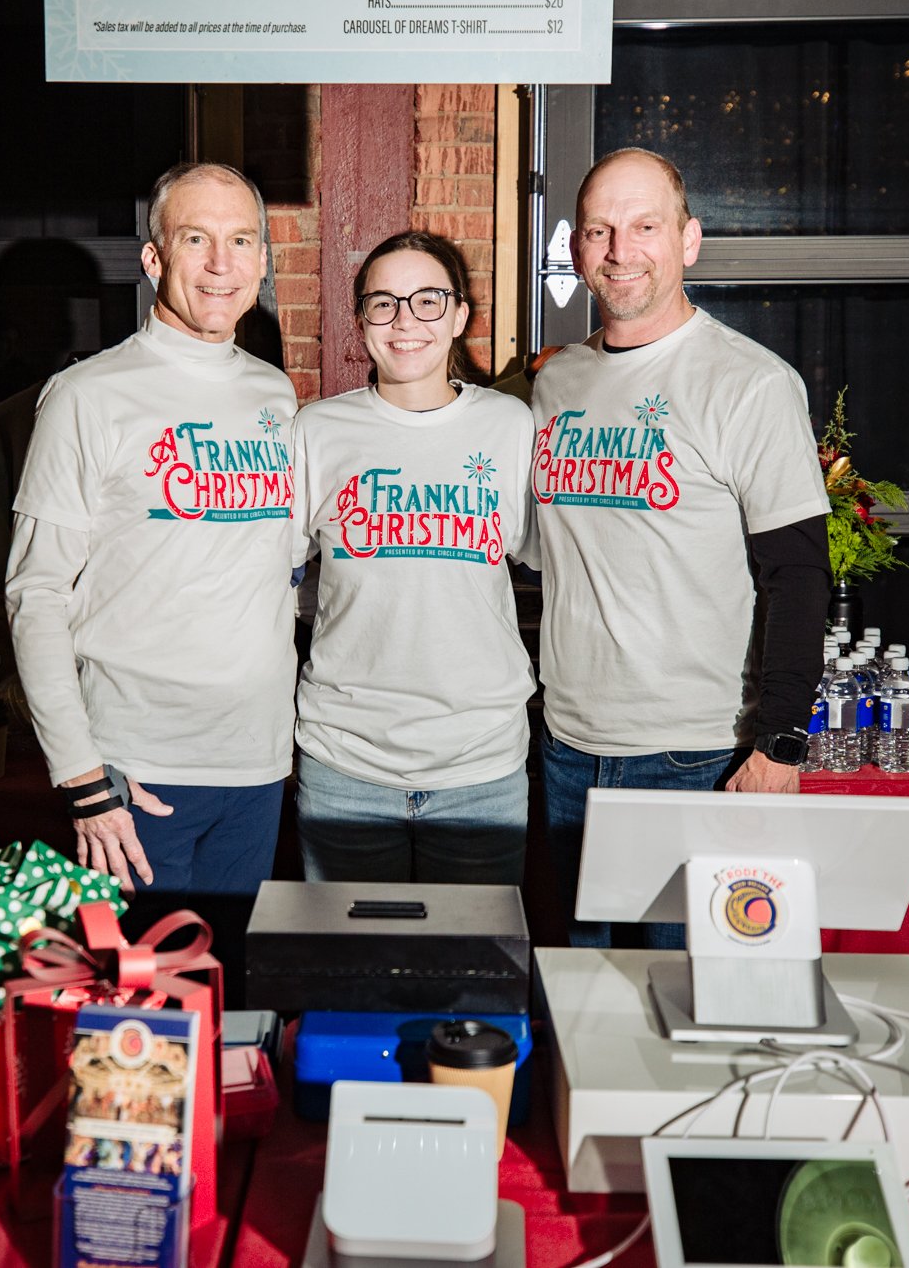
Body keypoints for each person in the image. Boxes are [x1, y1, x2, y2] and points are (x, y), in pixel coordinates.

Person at [529, 147, 831, 945]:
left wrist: (780, 741)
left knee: (688, 1007)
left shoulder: (749, 383)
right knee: (583, 1001)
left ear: (688, 240)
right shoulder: (556, 382)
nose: (620, 251)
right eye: (599, 230)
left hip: (696, 755)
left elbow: (798, 575)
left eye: (644, 226)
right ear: (577, 249)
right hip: (568, 745)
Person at [6, 161, 296, 895]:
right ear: (154, 257)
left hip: (258, 764)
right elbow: (34, 593)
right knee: (140, 1004)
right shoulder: (84, 397)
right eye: (197, 238)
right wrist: (82, 778)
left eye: (241, 240)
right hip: (136, 772)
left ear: (262, 259)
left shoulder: (274, 392)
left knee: (230, 994)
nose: (222, 264)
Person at [289, 231, 536, 885]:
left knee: (476, 976)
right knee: (346, 976)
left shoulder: (510, 427)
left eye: (427, 300)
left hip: (480, 766)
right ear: (361, 319)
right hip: (345, 764)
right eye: (383, 303)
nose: (405, 322)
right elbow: (278, 580)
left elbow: (554, 559)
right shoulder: (317, 432)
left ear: (459, 315)